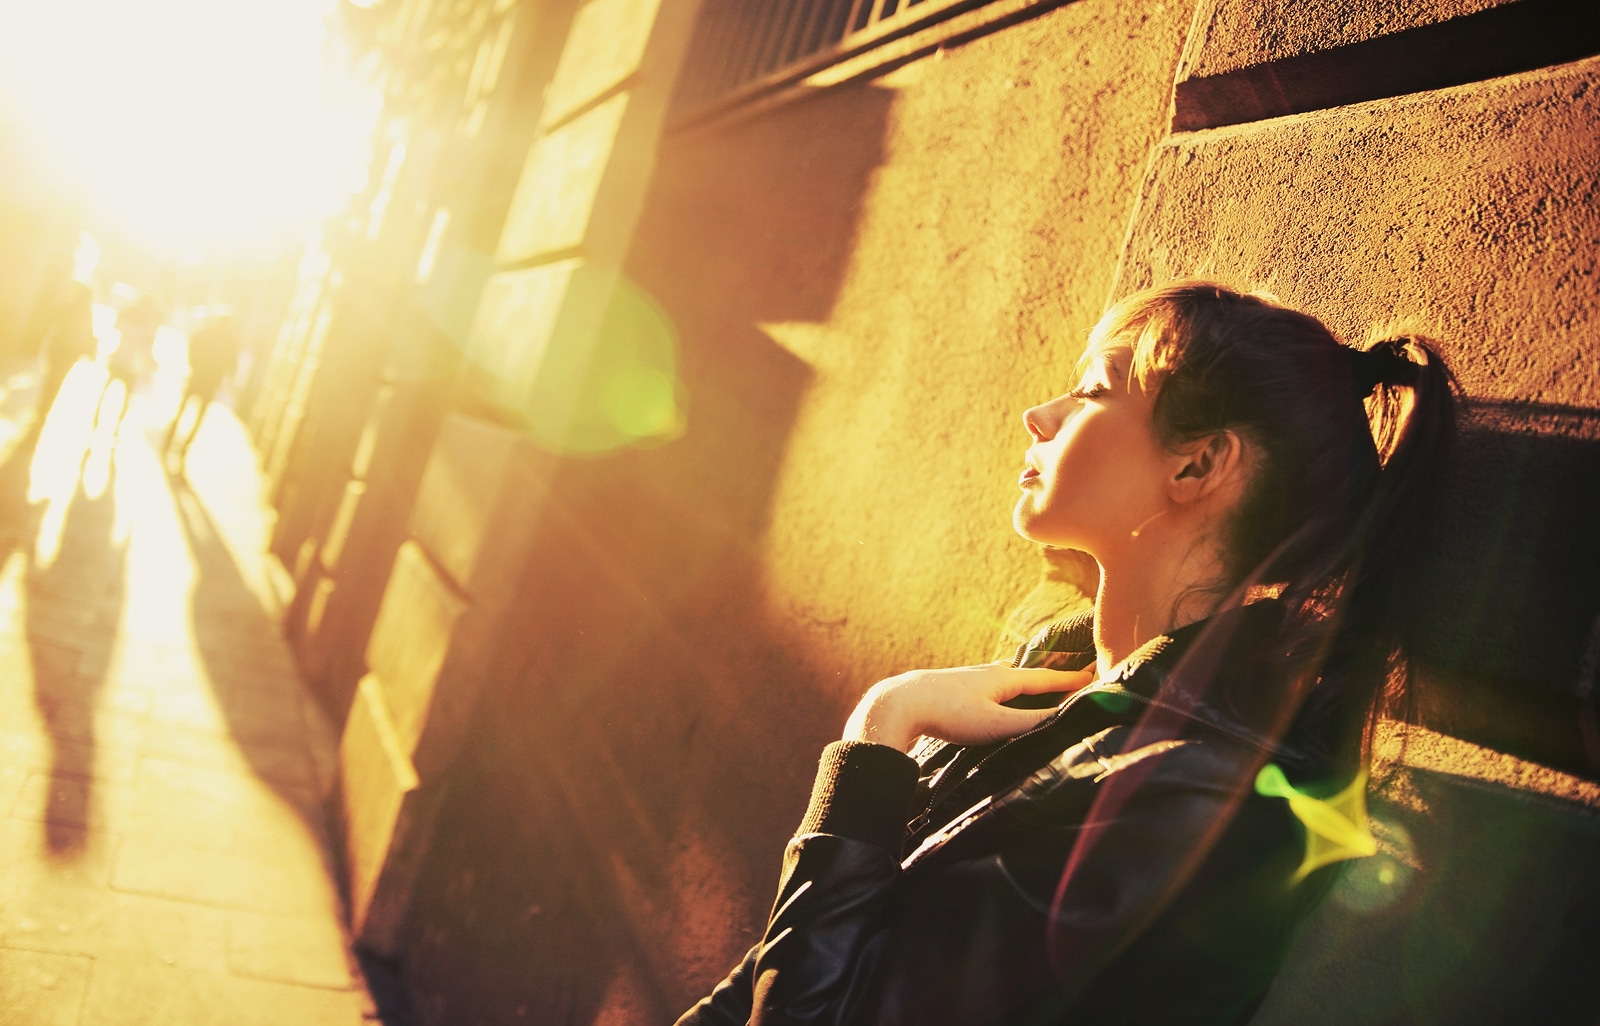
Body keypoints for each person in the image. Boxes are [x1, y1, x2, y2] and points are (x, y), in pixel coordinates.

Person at [676, 281, 1457, 1026]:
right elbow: (773, 976)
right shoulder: (1065, 684)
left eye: (1091, 390)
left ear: (1197, 465)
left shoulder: (1191, 808)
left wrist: (879, 732)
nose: (1036, 415)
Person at [164, 310, 240, 472]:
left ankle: (171, 439)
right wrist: (228, 379)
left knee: (183, 410)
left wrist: (193, 364)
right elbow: (232, 363)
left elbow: (193, 345)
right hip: (208, 380)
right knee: (196, 416)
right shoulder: (228, 340)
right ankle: (183, 446)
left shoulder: (208, 334)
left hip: (198, 377)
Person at [96, 293, 161, 435]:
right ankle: (117, 426)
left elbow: (116, 326)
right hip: (132, 366)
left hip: (119, 358)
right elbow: (148, 346)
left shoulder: (128, 313)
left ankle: (96, 419)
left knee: (105, 390)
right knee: (126, 397)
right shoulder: (149, 322)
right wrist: (150, 364)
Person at [34, 280, 98, 421]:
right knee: (58, 380)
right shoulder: (86, 312)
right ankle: (45, 408)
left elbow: (51, 320)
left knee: (51, 377)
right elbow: (88, 333)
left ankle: (42, 407)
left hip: (59, 348)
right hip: (71, 353)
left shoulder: (68, 307)